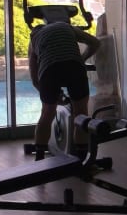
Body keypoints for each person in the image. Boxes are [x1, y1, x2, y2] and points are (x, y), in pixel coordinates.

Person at [28, 15, 100, 159]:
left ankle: (39, 157)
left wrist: (53, 96)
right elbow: (95, 42)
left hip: (49, 70)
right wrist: (82, 58)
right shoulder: (66, 27)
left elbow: (35, 80)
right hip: (74, 66)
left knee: (47, 113)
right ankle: (81, 159)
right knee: (81, 114)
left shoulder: (34, 39)